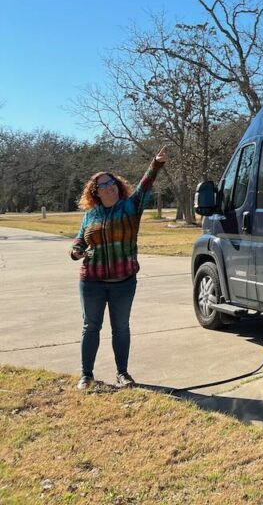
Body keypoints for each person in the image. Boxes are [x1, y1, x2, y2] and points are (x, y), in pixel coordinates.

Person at [70, 146, 167, 389]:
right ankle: (86, 375)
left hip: (123, 282)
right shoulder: (90, 215)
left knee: (121, 328)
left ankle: (123, 373)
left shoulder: (130, 207)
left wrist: (155, 164)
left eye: (112, 182)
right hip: (92, 281)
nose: (109, 186)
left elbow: (144, 187)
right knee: (91, 326)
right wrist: (75, 250)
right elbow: (80, 239)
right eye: (103, 184)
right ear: (96, 192)